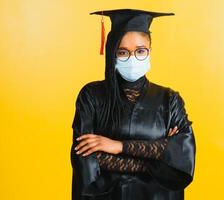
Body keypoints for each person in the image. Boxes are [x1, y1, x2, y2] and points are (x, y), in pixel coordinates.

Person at [70, 9, 196, 200]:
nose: (132, 58)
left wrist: (118, 146)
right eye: (122, 52)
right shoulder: (91, 96)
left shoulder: (169, 100)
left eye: (140, 51)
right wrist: (157, 152)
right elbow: (86, 158)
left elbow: (182, 156)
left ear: (149, 50)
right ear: (112, 53)